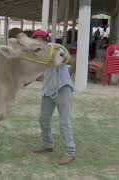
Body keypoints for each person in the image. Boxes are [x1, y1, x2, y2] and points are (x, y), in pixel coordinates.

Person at [32, 29, 76, 165]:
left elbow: (70, 62)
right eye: (36, 38)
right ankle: (48, 145)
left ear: (45, 39)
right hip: (48, 90)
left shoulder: (56, 48)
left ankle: (70, 152)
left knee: (64, 122)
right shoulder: (36, 54)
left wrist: (63, 64)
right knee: (43, 119)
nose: (38, 41)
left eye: (41, 38)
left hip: (62, 88)